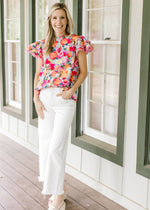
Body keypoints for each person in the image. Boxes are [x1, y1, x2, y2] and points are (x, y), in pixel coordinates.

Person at [25, 2, 93, 210]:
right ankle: (58, 193)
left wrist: (72, 91)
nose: (58, 22)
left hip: (64, 100)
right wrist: (35, 98)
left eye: (62, 17)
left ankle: (57, 193)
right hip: (45, 99)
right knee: (46, 145)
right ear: (50, 21)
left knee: (56, 146)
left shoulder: (76, 42)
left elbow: (83, 72)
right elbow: (39, 74)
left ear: (67, 20)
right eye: (54, 18)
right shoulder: (43, 44)